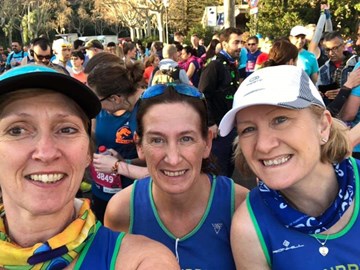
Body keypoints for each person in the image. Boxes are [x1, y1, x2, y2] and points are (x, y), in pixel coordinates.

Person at [0, 64, 179, 269]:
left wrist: (122, 165)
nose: (46, 153)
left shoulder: (140, 261)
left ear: (87, 153)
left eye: (66, 129)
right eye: (17, 130)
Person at [218, 65, 359, 269]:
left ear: (323, 125)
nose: (264, 145)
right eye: (248, 129)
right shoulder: (250, 228)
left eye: (280, 119)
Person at [104, 83, 248, 269]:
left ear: (207, 143)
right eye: (157, 140)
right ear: (139, 146)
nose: (173, 159)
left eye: (186, 139)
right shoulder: (121, 211)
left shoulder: (240, 206)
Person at [87, 60, 147, 223]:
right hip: (105, 191)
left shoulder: (148, 111)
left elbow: (159, 169)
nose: (96, 107)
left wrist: (118, 166)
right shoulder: (136, 107)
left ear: (115, 99)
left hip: (138, 196)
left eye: (97, 101)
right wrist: (122, 161)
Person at [198, 27, 242, 177]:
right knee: (217, 171)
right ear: (224, 44)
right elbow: (202, 94)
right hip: (217, 130)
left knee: (229, 169)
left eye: (241, 42)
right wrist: (210, 123)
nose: (240, 46)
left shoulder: (231, 64)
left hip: (230, 127)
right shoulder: (214, 65)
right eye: (236, 42)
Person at [317, 31, 359, 105]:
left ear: (343, 46)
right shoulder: (323, 70)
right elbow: (317, 89)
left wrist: (345, 92)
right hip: (332, 110)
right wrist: (319, 94)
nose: (331, 53)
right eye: (327, 50)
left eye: (335, 48)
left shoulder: (357, 63)